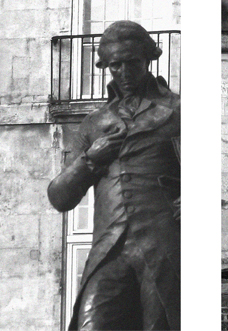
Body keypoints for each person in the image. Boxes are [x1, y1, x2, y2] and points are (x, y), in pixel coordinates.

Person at [47, 20, 180, 331]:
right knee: (90, 324)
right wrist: (91, 159)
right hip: (110, 249)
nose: (124, 72)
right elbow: (59, 196)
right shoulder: (94, 123)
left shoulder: (178, 111)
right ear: (105, 66)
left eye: (132, 62)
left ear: (148, 59)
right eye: (115, 65)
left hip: (162, 246)